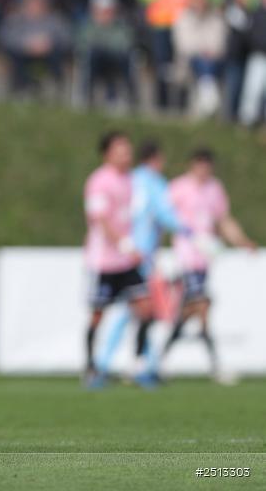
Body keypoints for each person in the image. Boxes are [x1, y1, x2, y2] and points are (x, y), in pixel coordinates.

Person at [161, 148, 256, 383]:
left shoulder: (215, 189)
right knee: (202, 306)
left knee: (193, 311)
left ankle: (158, 359)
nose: (204, 170)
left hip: (204, 260)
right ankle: (214, 365)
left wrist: (242, 241)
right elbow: (163, 215)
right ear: (192, 165)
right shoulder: (179, 188)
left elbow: (223, 220)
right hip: (186, 258)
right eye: (200, 165)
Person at [95, 141, 187, 378]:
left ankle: (119, 363)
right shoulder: (154, 183)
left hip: (124, 251)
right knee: (139, 310)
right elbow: (166, 215)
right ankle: (130, 365)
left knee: (132, 310)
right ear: (156, 160)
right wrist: (191, 232)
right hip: (140, 255)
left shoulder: (130, 179)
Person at [83, 132, 156, 389]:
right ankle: (91, 368)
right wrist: (126, 245)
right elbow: (100, 220)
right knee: (97, 316)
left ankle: (137, 367)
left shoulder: (131, 181)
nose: (127, 154)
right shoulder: (99, 181)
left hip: (126, 263)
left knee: (147, 310)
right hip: (103, 262)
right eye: (121, 150)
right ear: (107, 154)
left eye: (128, 149)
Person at [0, 0, 71, 95]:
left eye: (38, 4)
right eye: (32, 4)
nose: (35, 7)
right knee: (14, 56)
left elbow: (66, 38)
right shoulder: (15, 20)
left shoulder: (56, 20)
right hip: (23, 51)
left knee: (58, 56)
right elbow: (6, 38)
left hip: (49, 51)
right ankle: (21, 88)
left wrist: (50, 43)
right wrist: (25, 44)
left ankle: (56, 88)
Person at [75, 0, 136, 109]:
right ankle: (86, 96)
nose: (105, 14)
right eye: (101, 10)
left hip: (115, 63)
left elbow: (124, 45)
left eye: (108, 10)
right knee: (95, 55)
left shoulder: (121, 27)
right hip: (95, 63)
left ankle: (118, 98)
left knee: (120, 60)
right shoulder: (87, 27)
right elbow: (82, 46)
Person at [172, 0, 227, 118]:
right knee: (202, 63)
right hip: (189, 61)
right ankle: (209, 100)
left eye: (202, 2)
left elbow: (219, 43)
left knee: (208, 64)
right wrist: (202, 50)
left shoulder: (216, 19)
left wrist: (209, 52)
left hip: (214, 60)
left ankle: (208, 100)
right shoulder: (183, 19)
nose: (200, 6)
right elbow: (184, 45)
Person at [239, 0, 266, 127]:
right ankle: (247, 120)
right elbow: (250, 35)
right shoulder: (255, 13)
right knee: (252, 90)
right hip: (258, 56)